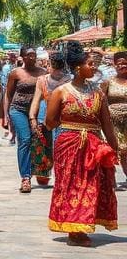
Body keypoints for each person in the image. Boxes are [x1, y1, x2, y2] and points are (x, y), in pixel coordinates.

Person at [45, 42, 119, 246]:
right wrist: (72, 124)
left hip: (94, 145)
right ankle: (73, 229)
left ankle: (83, 224)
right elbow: (50, 123)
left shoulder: (98, 94)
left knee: (91, 185)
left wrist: (113, 148)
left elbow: (107, 125)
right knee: (70, 184)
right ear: (78, 67)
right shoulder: (61, 92)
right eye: (90, 64)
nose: (94, 67)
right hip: (68, 143)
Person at [4, 46, 46, 193]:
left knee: (39, 139)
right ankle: (25, 177)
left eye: (34, 55)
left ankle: (42, 172)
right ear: (22, 57)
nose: (32, 58)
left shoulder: (42, 73)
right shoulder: (16, 73)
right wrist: (5, 115)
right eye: (29, 55)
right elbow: (8, 95)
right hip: (18, 109)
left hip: (37, 110)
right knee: (25, 139)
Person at [28, 51, 71, 187]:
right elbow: (36, 99)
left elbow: (36, 100)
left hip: (65, 118)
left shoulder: (70, 80)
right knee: (45, 146)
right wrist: (32, 118)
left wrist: (32, 118)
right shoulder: (43, 80)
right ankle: (46, 175)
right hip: (46, 116)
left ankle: (63, 176)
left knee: (60, 148)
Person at [100, 50, 127, 189]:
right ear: (114, 65)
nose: (122, 66)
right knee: (113, 149)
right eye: (119, 64)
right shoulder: (108, 82)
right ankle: (111, 178)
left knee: (126, 151)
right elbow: (101, 101)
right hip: (112, 122)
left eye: (125, 64)